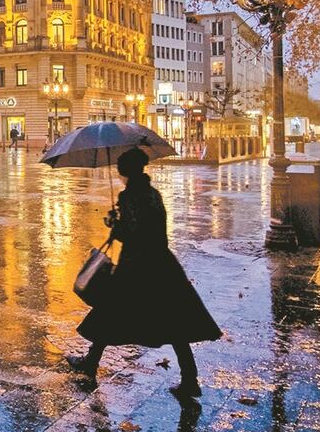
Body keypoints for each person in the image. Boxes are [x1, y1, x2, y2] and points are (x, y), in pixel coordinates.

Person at [69, 147, 221, 401]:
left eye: (120, 165)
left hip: (137, 266)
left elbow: (132, 233)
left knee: (110, 311)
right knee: (173, 322)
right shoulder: (153, 193)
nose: (118, 169)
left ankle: (90, 361)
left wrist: (114, 225)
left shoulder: (130, 197)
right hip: (162, 263)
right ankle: (189, 378)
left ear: (128, 169)